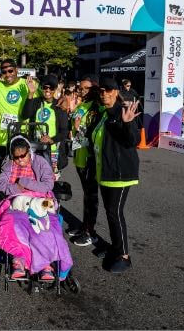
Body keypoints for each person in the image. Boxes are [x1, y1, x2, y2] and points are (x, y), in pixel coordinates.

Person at [0, 136, 73, 281]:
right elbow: (0, 185)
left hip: (41, 199)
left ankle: (45, 264)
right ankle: (19, 259)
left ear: (29, 152)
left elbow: (48, 185)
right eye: (16, 157)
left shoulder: (40, 162)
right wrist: (17, 188)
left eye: (23, 155)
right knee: (13, 224)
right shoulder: (9, 165)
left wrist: (24, 182)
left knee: (44, 227)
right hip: (16, 201)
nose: (20, 160)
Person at [93, 78, 140, 274]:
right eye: (102, 91)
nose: (104, 94)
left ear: (116, 93)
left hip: (120, 173)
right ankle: (115, 246)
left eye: (109, 91)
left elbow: (132, 141)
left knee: (115, 212)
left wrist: (128, 124)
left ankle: (124, 255)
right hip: (105, 172)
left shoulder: (122, 111)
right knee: (110, 212)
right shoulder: (105, 114)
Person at [69, 75, 102, 247]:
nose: (82, 90)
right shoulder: (82, 104)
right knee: (86, 195)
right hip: (79, 154)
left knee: (91, 196)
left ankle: (91, 232)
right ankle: (84, 226)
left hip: (91, 157)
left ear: (95, 88)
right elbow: (74, 127)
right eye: (81, 88)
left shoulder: (98, 106)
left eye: (86, 88)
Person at [21, 74, 70, 177]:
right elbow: (25, 115)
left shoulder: (59, 106)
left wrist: (51, 140)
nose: (48, 90)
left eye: (51, 87)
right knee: (34, 178)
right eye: (45, 87)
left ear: (55, 89)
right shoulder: (36, 102)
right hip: (35, 148)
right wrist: (30, 94)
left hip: (53, 150)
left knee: (50, 182)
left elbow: (65, 131)